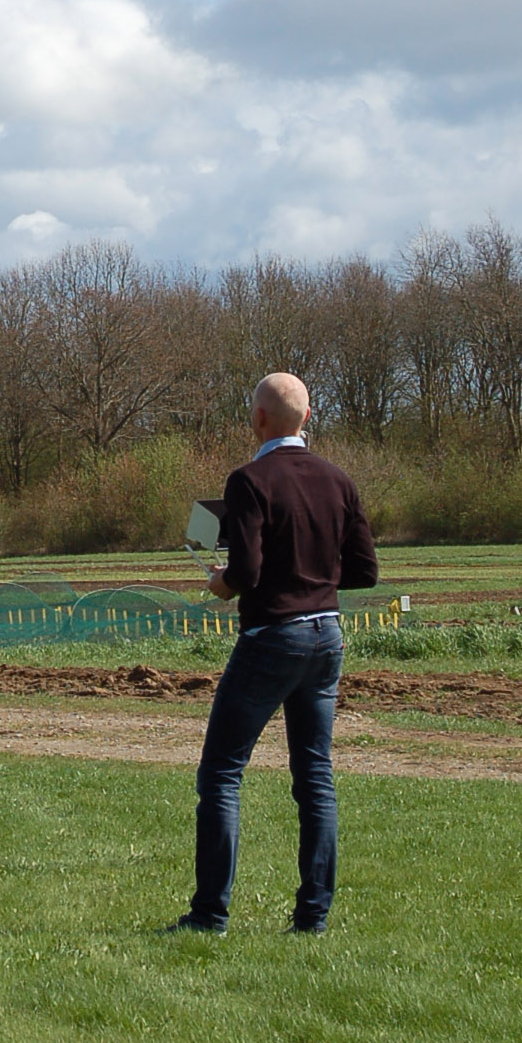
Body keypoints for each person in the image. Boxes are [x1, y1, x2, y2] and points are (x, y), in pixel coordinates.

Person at [163, 372, 378, 937]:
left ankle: (210, 914)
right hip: (327, 635)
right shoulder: (339, 481)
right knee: (314, 775)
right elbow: (365, 571)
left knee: (222, 774)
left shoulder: (248, 481)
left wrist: (223, 585)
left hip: (272, 638)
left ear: (258, 419)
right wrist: (312, 574)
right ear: (307, 418)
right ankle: (313, 917)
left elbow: (248, 572)